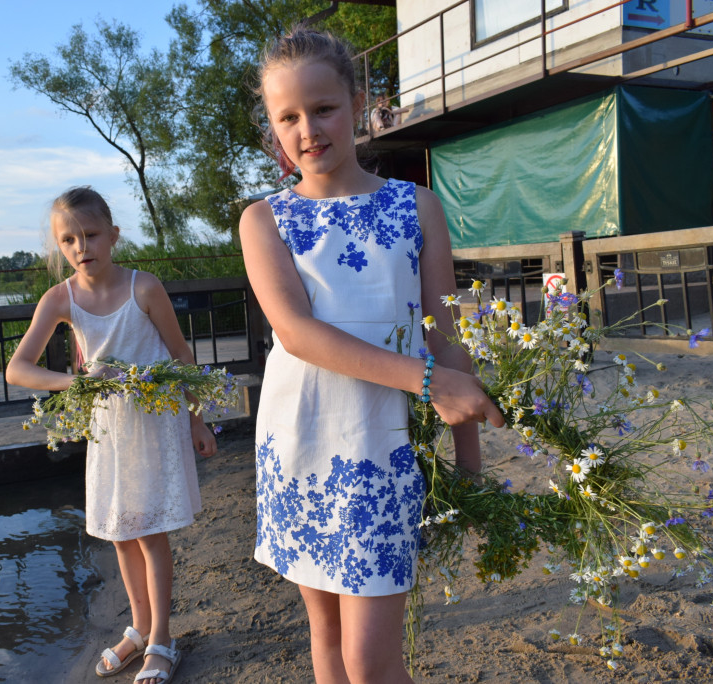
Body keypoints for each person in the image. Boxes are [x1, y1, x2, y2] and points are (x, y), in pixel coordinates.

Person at [239, 27, 504, 683]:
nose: (308, 130)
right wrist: (429, 381)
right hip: (298, 444)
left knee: (371, 663)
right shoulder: (262, 219)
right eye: (288, 118)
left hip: (381, 450)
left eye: (323, 108)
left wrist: (469, 469)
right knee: (326, 642)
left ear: (357, 102)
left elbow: (445, 335)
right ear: (273, 129)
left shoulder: (419, 207)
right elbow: (297, 333)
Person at [6, 186, 216, 684]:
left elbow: (180, 356)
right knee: (121, 532)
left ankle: (163, 638)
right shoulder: (61, 298)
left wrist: (195, 418)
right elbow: (18, 369)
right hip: (107, 430)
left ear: (114, 235)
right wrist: (75, 383)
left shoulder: (144, 287)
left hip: (155, 422)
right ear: (60, 247)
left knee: (150, 533)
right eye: (69, 240)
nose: (82, 247)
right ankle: (140, 629)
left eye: (91, 234)